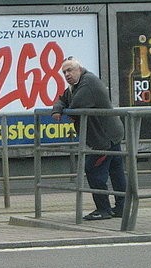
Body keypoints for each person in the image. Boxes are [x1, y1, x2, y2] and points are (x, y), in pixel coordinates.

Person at [52, 57, 126, 220]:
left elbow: (75, 106)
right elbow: (62, 99)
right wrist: (57, 109)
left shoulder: (88, 83)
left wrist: (66, 111)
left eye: (70, 70)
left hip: (103, 138)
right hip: (109, 134)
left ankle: (103, 209)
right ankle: (122, 207)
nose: (67, 74)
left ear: (80, 69)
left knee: (93, 169)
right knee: (115, 170)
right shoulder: (76, 86)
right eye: (64, 72)